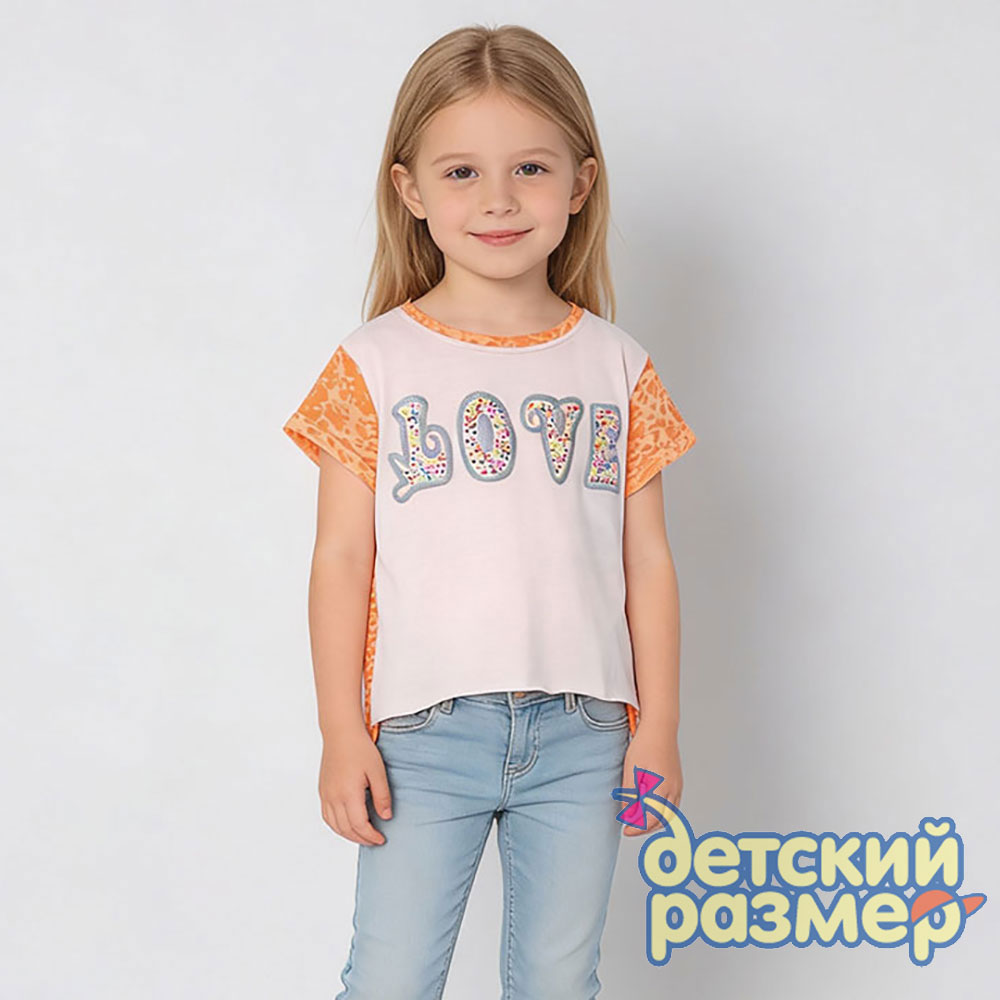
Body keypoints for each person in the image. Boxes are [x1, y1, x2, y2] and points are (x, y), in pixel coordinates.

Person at [282, 22, 697, 1000]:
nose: (499, 199)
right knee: (389, 979)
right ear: (411, 190)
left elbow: (648, 561)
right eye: (462, 172)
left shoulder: (619, 366)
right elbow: (340, 561)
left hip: (587, 732)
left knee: (558, 979)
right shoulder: (372, 364)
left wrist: (659, 726)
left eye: (530, 169)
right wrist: (341, 730)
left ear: (580, 184)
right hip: (424, 736)